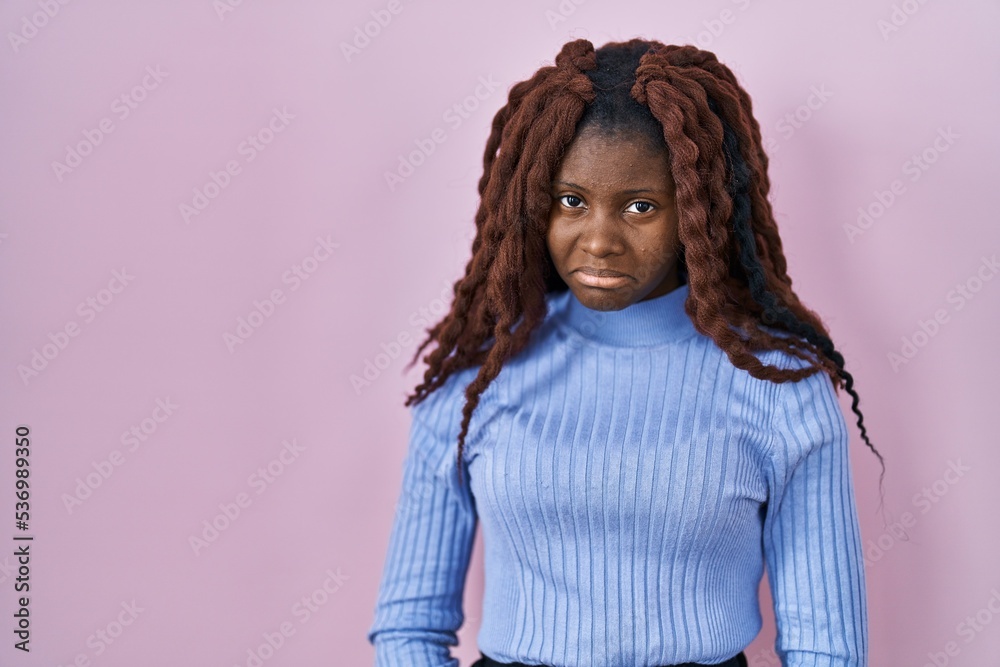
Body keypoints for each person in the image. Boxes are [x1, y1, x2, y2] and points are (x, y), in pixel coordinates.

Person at [366, 37, 885, 667]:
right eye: (571, 201)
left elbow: (826, 646)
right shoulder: (479, 373)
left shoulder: (779, 384)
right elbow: (409, 627)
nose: (599, 241)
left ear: (697, 210)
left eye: (640, 207)